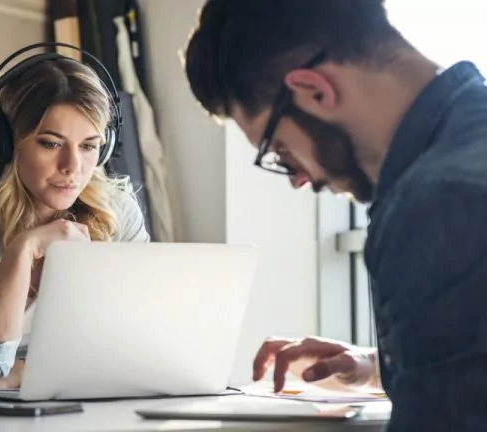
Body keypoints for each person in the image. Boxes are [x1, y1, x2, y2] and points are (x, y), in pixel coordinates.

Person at [184, 0, 487, 430]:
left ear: (315, 90)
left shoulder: (437, 202)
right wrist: (384, 364)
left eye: (281, 152)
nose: (298, 179)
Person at [0, 47, 150, 393]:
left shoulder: (118, 216)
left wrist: (20, 373)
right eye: (51, 144)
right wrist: (23, 250)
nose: (72, 166)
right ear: (6, 144)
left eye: (89, 146)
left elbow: (138, 351)